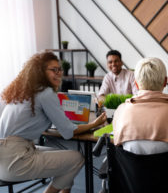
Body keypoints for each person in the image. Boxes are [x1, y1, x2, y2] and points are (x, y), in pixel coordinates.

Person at [0, 51, 107, 193]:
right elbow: (69, 132)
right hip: (17, 161)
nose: (58, 73)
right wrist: (95, 124)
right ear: (40, 72)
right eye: (53, 69)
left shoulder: (23, 91)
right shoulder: (45, 93)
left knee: (65, 158)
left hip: (5, 159)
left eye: (59, 69)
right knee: (77, 158)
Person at [113, 57, 168, 154]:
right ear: (165, 82)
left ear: (136, 84)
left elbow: (117, 143)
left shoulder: (121, 110)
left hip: (129, 168)